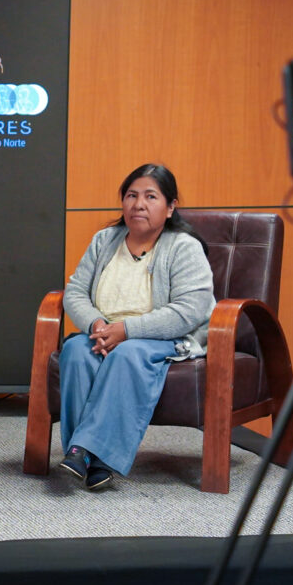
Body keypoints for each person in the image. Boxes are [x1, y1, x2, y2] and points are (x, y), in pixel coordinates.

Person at [58, 163, 214, 490]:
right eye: (131, 195)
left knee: (126, 354)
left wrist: (125, 330)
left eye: (150, 196)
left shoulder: (184, 246)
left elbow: (189, 311)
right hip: (105, 332)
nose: (138, 204)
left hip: (163, 337)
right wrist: (97, 324)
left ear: (170, 207)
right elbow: (75, 291)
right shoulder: (104, 240)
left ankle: (81, 449)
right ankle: (97, 462)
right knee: (75, 349)